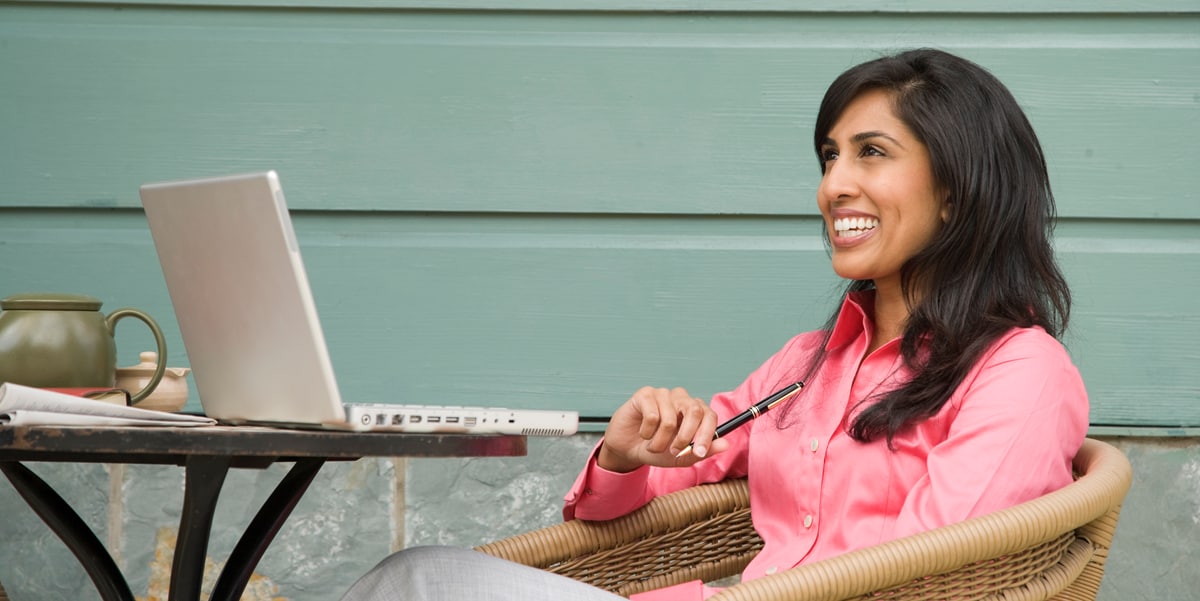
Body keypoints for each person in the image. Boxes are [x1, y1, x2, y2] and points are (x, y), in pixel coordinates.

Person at [340, 47, 1089, 601]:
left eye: (872, 154)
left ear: (957, 191)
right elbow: (633, 507)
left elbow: (930, 567)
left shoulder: (1021, 372)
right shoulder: (806, 365)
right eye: (829, 156)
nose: (834, 185)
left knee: (420, 582)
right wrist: (628, 457)